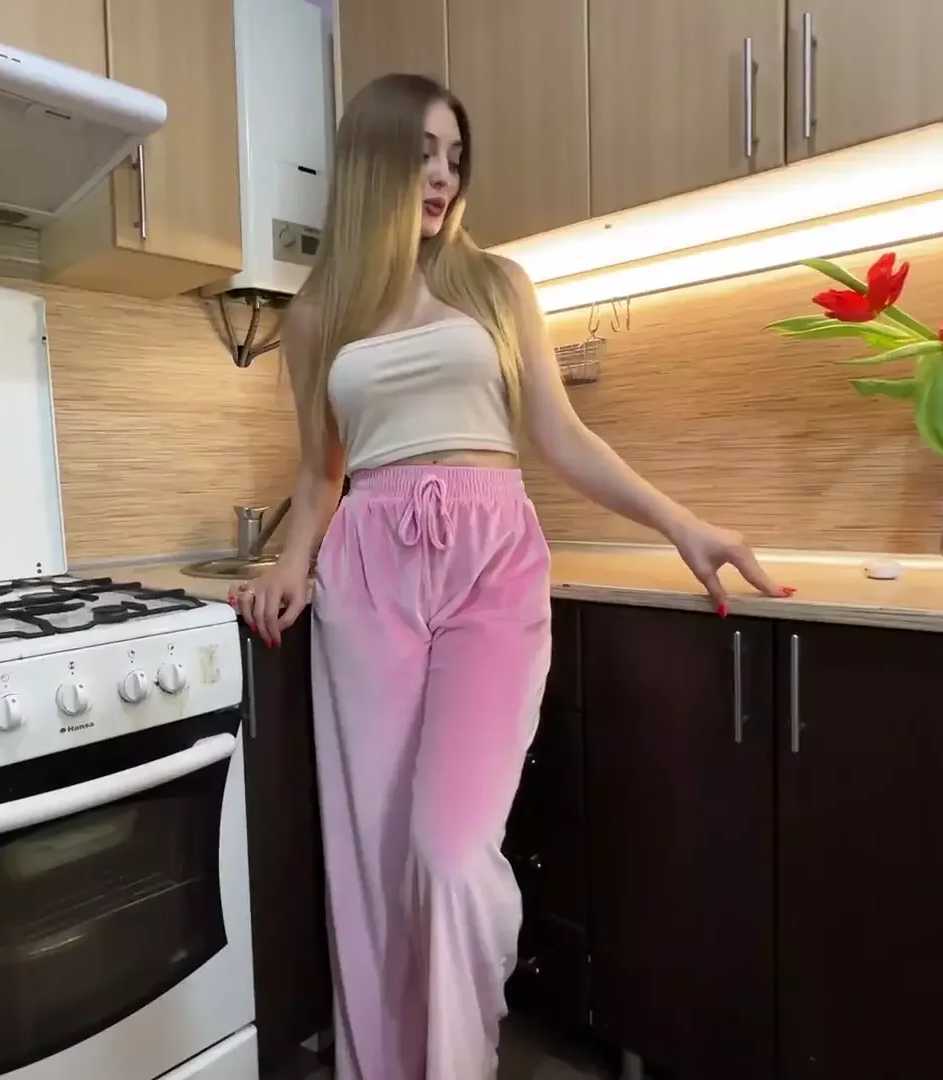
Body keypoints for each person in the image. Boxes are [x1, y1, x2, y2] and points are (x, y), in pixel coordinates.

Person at [228, 73, 795, 1080]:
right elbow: (320, 475)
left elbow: (560, 437)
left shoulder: (497, 286)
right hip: (368, 574)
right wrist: (289, 561)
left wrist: (682, 523)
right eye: (422, 155)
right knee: (375, 861)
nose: (443, 176)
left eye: (455, 157)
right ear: (371, 162)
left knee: (449, 851)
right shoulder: (317, 315)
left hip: (489, 565)